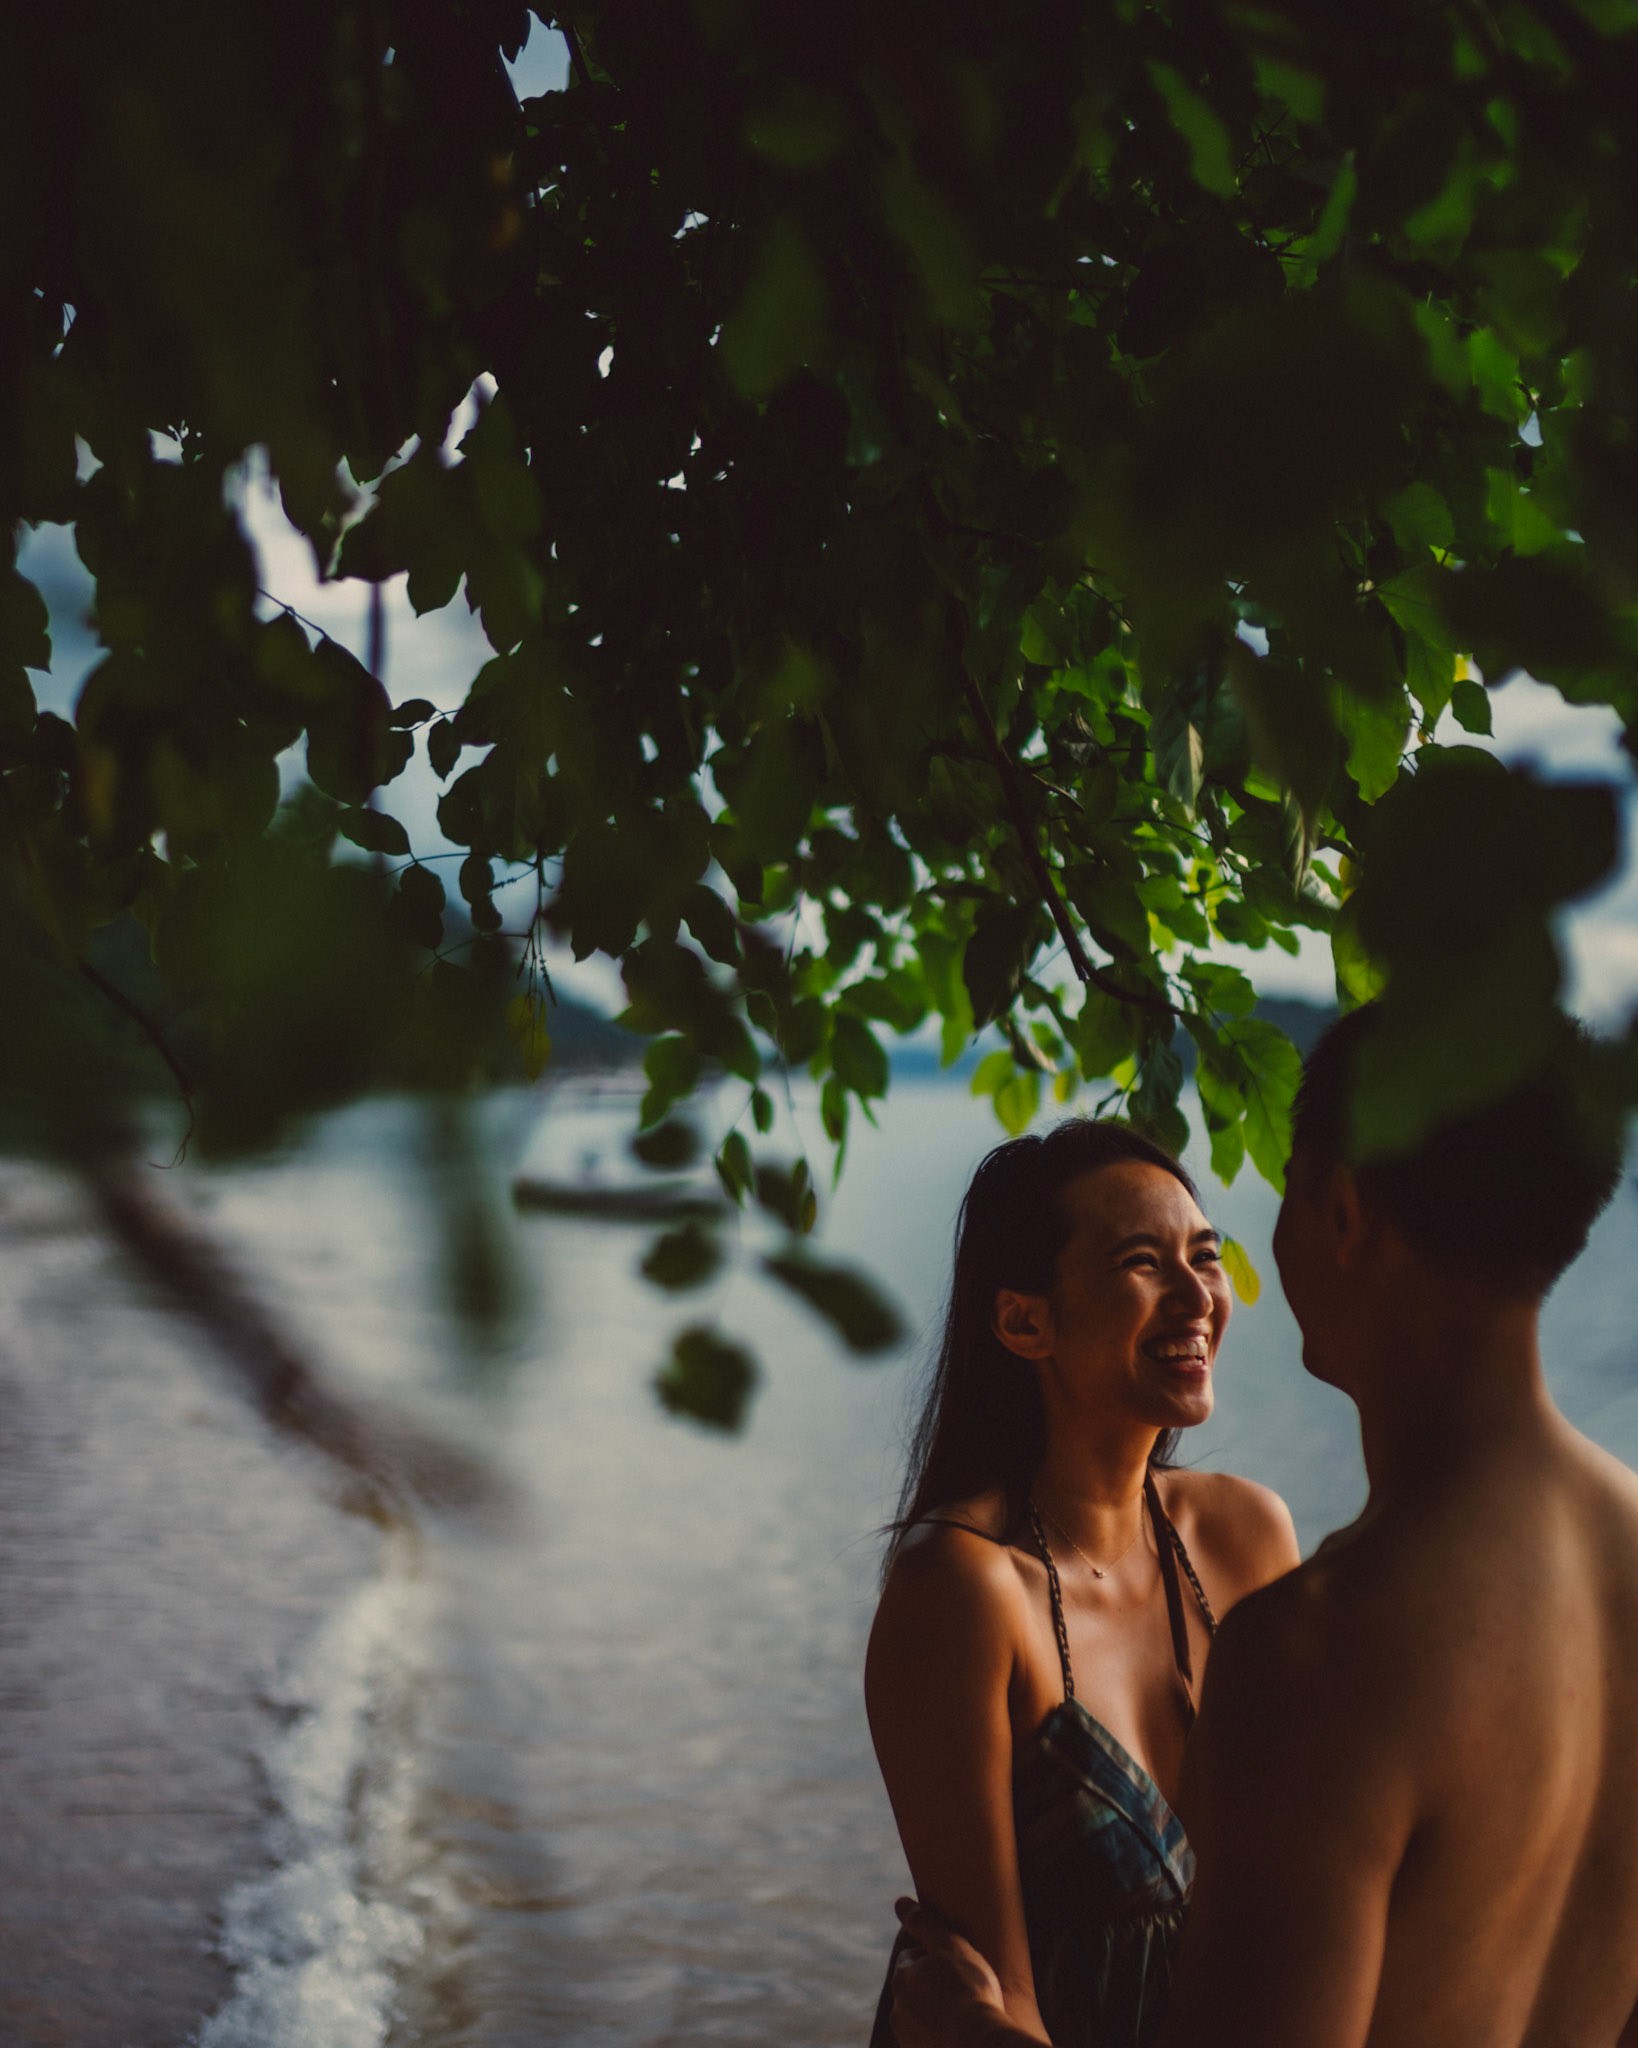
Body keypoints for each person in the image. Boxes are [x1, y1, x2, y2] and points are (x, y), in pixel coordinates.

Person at [891, 1005, 1638, 2048]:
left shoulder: (1314, 1644)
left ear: (1341, 1211)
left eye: (1267, 1196)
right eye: (1147, 1259)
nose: (1209, 1288)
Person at [865, 1119, 1301, 2048]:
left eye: (1205, 1256)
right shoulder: (962, 1592)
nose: (1199, 1297)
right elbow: (996, 1997)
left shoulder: (1249, 1535)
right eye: (1144, 1263)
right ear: (1027, 1320)